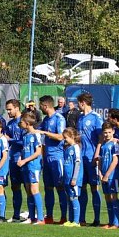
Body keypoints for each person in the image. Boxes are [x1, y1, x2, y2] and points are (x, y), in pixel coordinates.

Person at [37, 95, 67, 224]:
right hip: (47, 157)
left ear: (45, 106)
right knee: (48, 187)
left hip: (57, 157)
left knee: (60, 187)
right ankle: (49, 216)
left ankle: (64, 217)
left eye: (41, 106)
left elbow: (61, 137)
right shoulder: (46, 120)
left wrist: (45, 133)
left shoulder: (59, 118)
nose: (40, 109)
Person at [76, 92, 102, 226]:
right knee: (82, 187)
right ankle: (82, 218)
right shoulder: (80, 118)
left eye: (78, 103)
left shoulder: (96, 118)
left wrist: (96, 154)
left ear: (82, 103)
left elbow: (101, 138)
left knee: (94, 187)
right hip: (82, 157)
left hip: (92, 157)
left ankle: (97, 219)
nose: (77, 105)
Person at [18, 112, 44, 225]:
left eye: (22, 122)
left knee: (34, 190)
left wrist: (25, 160)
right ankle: (31, 217)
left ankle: (41, 218)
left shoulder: (36, 135)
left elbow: (38, 152)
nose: (20, 123)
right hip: (26, 166)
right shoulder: (25, 135)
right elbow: (24, 150)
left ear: (27, 123)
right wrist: (21, 158)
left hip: (34, 166)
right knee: (28, 190)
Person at [4, 99, 26, 221]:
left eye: (10, 109)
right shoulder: (10, 124)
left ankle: (32, 215)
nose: (8, 111)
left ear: (17, 108)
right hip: (13, 159)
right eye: (7, 109)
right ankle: (16, 215)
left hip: (24, 158)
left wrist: (10, 140)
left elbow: (26, 142)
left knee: (29, 188)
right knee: (15, 187)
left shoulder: (24, 122)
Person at [96, 122, 119, 229]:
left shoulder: (114, 144)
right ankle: (110, 222)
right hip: (104, 175)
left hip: (112, 176)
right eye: (105, 133)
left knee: (113, 196)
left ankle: (116, 223)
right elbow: (100, 160)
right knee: (107, 197)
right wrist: (100, 172)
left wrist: (107, 174)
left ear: (113, 132)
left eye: (109, 132)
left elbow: (115, 161)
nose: (107, 135)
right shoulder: (103, 145)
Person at [61, 127, 83, 227]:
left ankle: (76, 221)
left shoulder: (76, 147)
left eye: (66, 137)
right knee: (69, 198)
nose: (64, 139)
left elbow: (77, 163)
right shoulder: (67, 148)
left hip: (74, 179)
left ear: (72, 137)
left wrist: (74, 178)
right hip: (67, 178)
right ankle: (70, 220)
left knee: (74, 198)